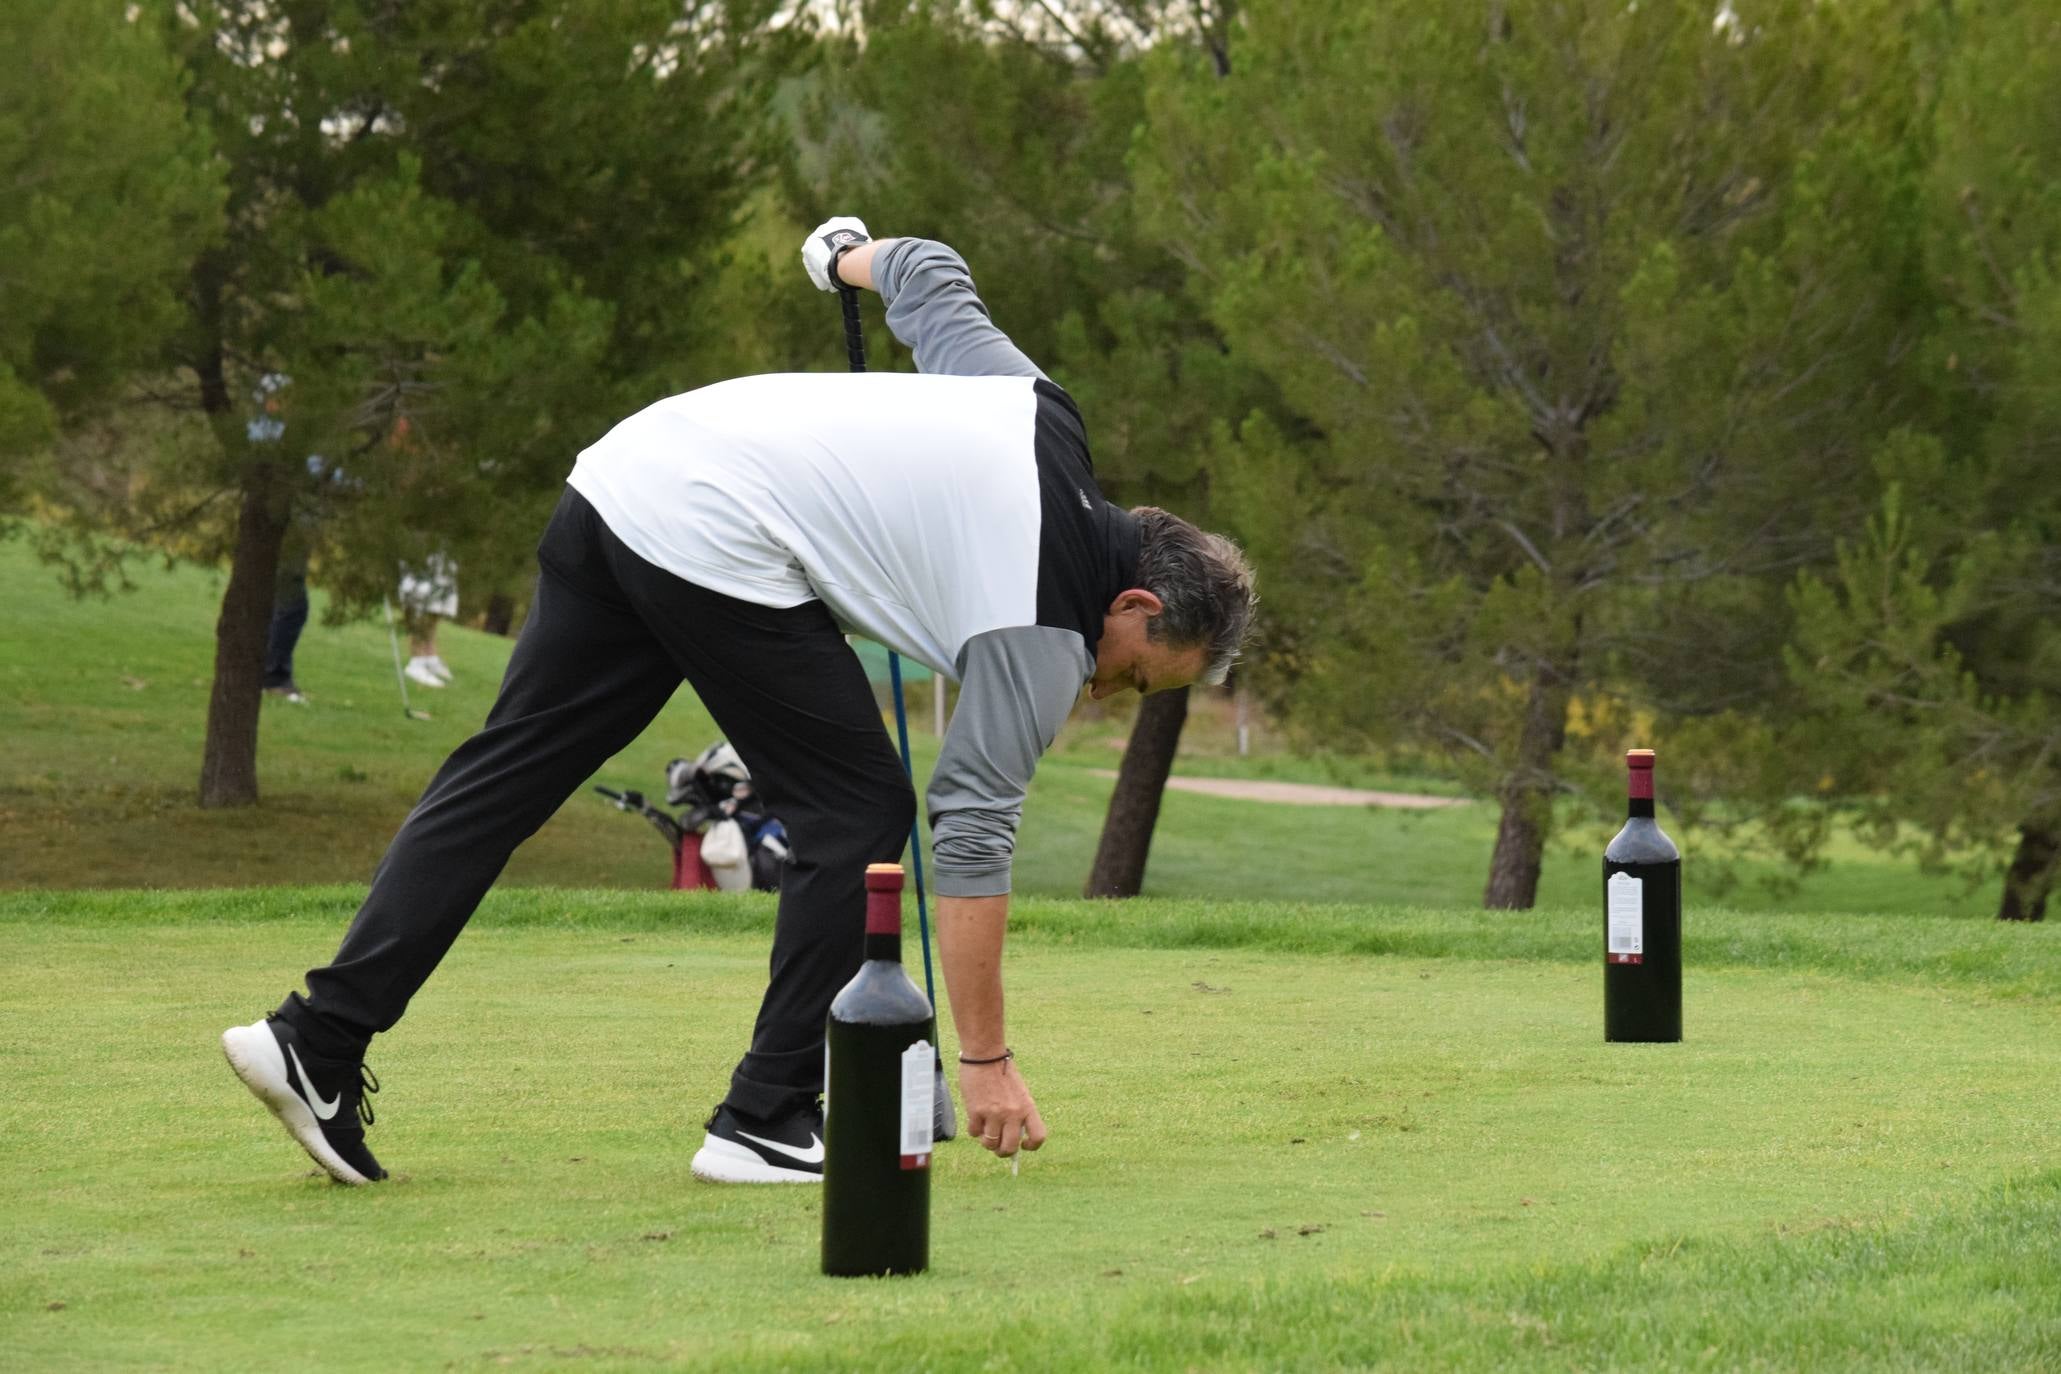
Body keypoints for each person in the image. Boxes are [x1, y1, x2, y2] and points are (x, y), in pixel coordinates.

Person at [220, 218, 1258, 1187]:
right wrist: (984, 1060)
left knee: (509, 771)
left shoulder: (1042, 410)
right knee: (858, 814)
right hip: (714, 529)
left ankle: (317, 1035)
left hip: (626, 475)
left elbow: (928, 273)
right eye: (1128, 673)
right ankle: (767, 1112)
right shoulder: (1049, 630)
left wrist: (840, 254)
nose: (1102, 690)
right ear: (1135, 600)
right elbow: (975, 834)